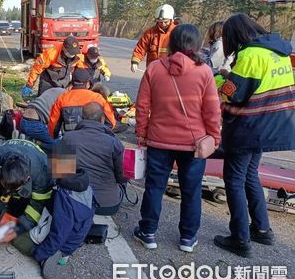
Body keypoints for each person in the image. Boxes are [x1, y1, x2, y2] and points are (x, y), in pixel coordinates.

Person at [134, 24, 221, 253]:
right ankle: (187, 238)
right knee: (191, 192)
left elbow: (142, 106)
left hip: (158, 141)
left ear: (171, 43)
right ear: (197, 44)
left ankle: (148, 232)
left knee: (154, 188)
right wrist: (214, 137)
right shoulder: (204, 72)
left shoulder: (154, 68)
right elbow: (212, 110)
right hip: (194, 144)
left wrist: (142, 133)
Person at [214, 14, 295, 258]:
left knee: (235, 179)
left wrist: (218, 77)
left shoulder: (250, 55)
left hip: (251, 127)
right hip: (272, 126)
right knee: (250, 175)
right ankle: (262, 229)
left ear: (234, 35)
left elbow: (232, 94)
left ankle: (240, 238)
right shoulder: (277, 52)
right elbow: (256, 85)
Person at [0, 139, 54, 254]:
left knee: (22, 231)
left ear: (27, 179)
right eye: (5, 186)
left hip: (34, 178)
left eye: (13, 190)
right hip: (4, 172)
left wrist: (18, 229)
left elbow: (39, 204)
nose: (8, 192)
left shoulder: (42, 173)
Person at [33, 142, 95, 279]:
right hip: (78, 235)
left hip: (66, 239)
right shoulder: (85, 183)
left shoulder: (65, 195)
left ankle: (53, 255)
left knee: (32, 238)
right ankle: (63, 254)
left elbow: (59, 231)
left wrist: (39, 254)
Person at [61, 103, 126, 215]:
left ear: (81, 118)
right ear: (102, 119)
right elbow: (122, 176)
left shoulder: (67, 138)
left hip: (74, 202)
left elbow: (58, 173)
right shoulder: (114, 143)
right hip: (107, 206)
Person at [48, 69, 117, 138]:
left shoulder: (62, 99)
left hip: (71, 140)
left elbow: (53, 127)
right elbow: (111, 123)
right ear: (87, 84)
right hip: (94, 138)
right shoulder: (98, 98)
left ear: (72, 83)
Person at [131, 4, 177, 72]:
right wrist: (135, 62)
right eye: (160, 22)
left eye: (165, 22)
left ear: (171, 20)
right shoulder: (150, 33)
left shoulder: (178, 32)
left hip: (171, 71)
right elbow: (141, 48)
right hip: (153, 71)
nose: (163, 24)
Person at [202, 21, 234, 86]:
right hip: (220, 76)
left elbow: (213, 64)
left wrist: (200, 58)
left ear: (216, 32)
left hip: (219, 78)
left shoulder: (220, 44)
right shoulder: (222, 43)